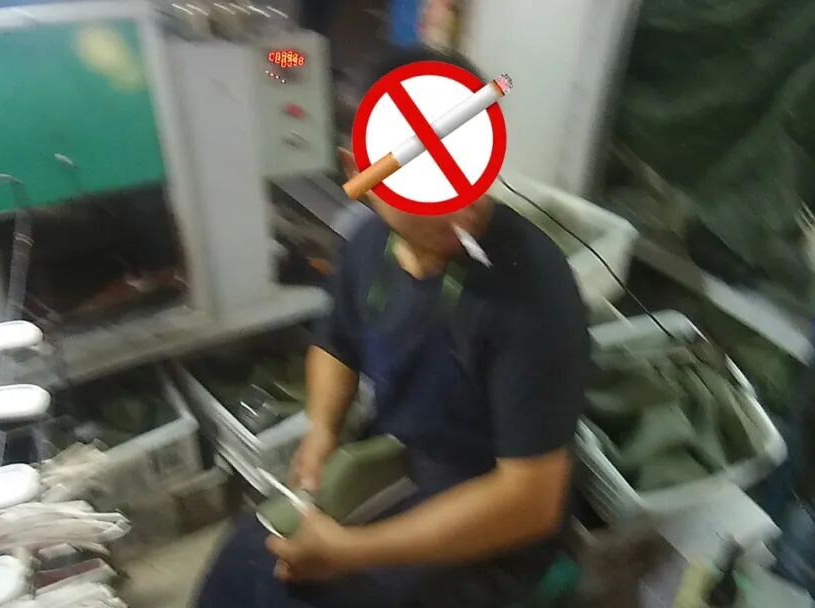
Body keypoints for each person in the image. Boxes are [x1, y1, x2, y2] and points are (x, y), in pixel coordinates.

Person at [196, 46, 589, 608]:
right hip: (398, 467)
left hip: (496, 529)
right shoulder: (365, 246)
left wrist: (353, 551)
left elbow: (530, 501)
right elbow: (335, 344)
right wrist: (323, 429)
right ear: (359, 172)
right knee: (243, 563)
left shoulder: (533, 293)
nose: (457, 203)